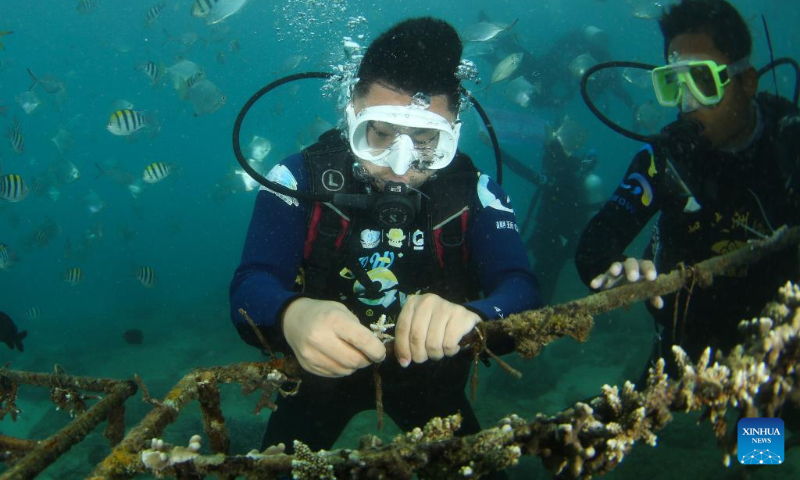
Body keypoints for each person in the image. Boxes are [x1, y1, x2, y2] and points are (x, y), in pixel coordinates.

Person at [230, 17, 541, 455]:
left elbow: (521, 288)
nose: (400, 165)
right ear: (351, 114)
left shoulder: (476, 193)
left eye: (427, 140)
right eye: (379, 133)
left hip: (430, 379)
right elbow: (251, 283)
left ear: (454, 130)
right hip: (317, 381)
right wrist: (291, 315)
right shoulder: (297, 178)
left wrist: (479, 317)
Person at [575, 0, 800, 375]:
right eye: (674, 83)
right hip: (689, 345)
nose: (688, 101)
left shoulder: (789, 142)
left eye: (703, 80)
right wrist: (614, 270)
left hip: (782, 343)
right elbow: (597, 241)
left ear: (747, 81)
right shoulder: (665, 158)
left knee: (765, 431)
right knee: (635, 426)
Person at [504, 136, 604, 304]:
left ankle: (536, 317)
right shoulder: (566, 176)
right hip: (558, 239)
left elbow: (525, 172)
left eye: (548, 155)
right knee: (542, 278)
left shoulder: (561, 179)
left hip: (556, 241)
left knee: (542, 282)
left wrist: (500, 152)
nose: (543, 160)